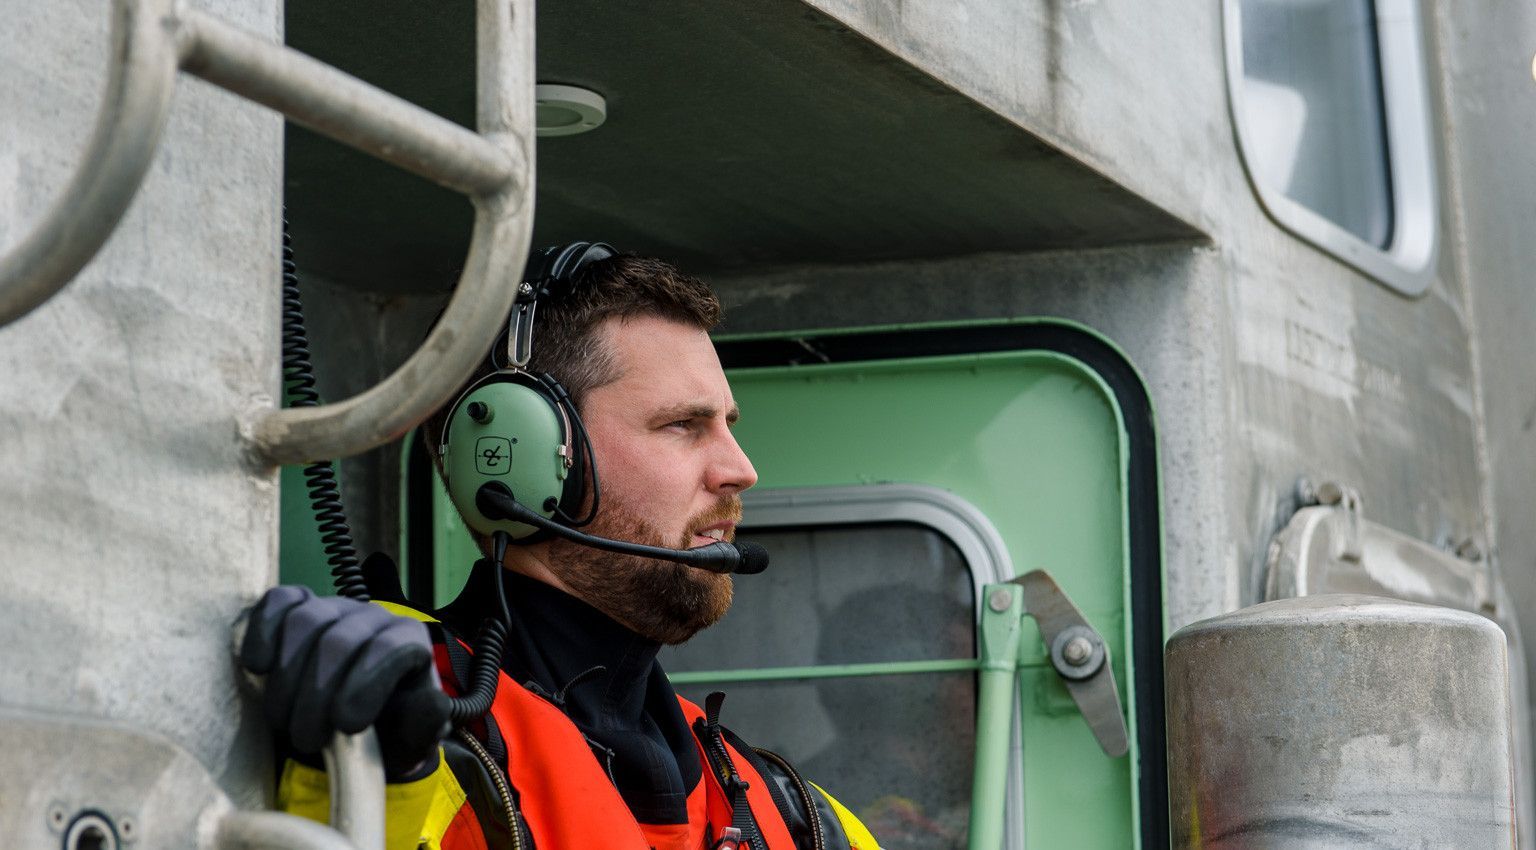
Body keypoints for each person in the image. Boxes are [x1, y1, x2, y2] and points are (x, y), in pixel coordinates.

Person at [239, 247, 879, 850]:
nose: (740, 470)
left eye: (727, 427)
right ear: (520, 459)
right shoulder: (393, 734)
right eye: (683, 424)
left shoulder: (801, 816)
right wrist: (359, 761)